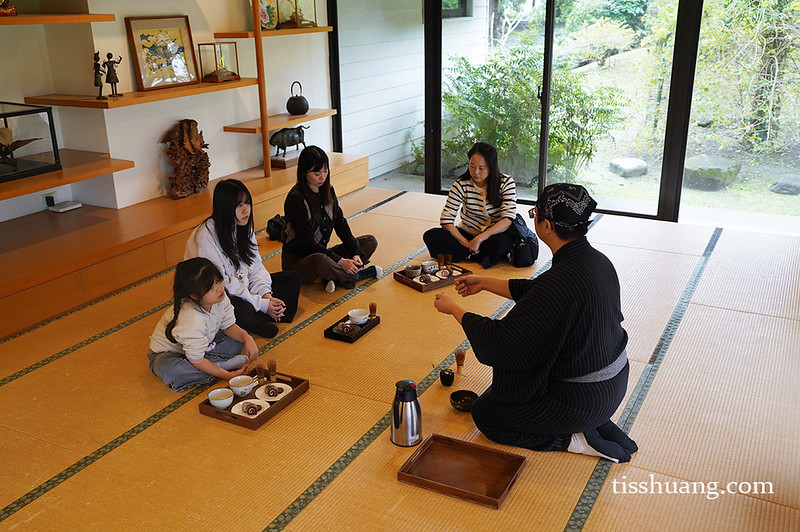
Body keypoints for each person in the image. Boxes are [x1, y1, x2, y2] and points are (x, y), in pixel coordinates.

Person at [433, 183, 638, 462]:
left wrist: (455, 310)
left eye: (535, 215)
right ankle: (596, 423)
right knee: (507, 388)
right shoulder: (597, 261)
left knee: (487, 414)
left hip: (581, 399)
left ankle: (575, 437)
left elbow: (502, 343)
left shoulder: (559, 280)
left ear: (547, 225)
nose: (534, 221)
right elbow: (538, 293)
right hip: (612, 384)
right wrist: (484, 282)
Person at [185, 179, 302, 339]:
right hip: (216, 295)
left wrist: (266, 296)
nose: (246, 210)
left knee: (293, 278)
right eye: (239, 205)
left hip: (245, 289)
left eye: (247, 203)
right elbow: (221, 285)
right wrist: (261, 304)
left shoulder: (244, 228)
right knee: (237, 306)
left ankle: (258, 319)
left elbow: (256, 267)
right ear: (226, 208)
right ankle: (256, 319)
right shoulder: (205, 237)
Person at [282, 146, 382, 293]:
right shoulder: (295, 200)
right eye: (317, 173)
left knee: (369, 242)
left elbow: (340, 223)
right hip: (300, 262)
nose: (322, 177)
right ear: (304, 172)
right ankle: (360, 274)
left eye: (325, 171)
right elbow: (308, 243)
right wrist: (340, 261)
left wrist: (355, 252)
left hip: (323, 253)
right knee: (320, 260)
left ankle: (332, 277)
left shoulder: (328, 191)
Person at [148, 258, 258, 391]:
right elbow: (196, 360)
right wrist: (227, 375)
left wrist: (248, 339)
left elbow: (228, 326)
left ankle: (213, 366)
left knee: (240, 337)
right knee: (174, 372)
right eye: (210, 288)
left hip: (203, 346)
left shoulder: (220, 298)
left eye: (218, 281)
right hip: (168, 353)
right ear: (195, 296)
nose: (219, 289)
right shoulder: (192, 318)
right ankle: (221, 366)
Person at [423, 141, 517, 269]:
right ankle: (480, 255)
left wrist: (480, 239)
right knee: (430, 236)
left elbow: (508, 219)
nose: (476, 172)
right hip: (467, 233)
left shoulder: (506, 183)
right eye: (472, 166)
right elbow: (446, 220)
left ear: (491, 166)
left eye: (481, 168)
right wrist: (466, 243)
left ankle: (468, 254)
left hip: (492, 235)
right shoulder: (461, 184)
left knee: (502, 243)